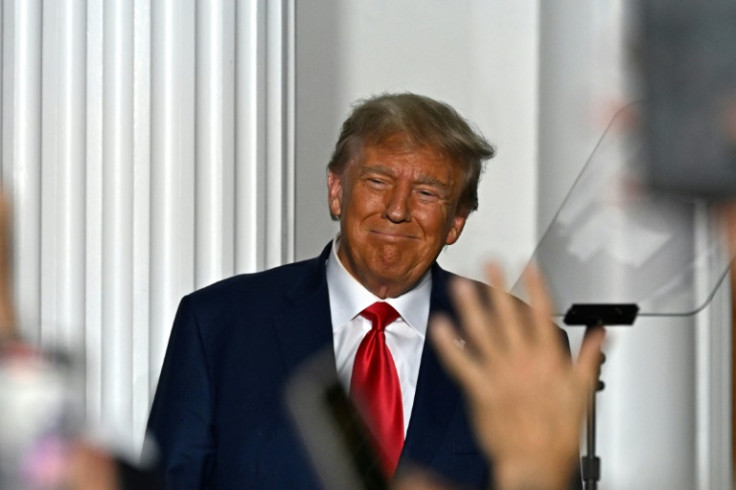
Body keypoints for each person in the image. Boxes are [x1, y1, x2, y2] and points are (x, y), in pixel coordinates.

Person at [146, 92, 580, 489]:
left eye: (427, 193)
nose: (396, 210)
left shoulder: (515, 345)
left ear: (456, 222)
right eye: (377, 181)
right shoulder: (220, 325)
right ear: (337, 191)